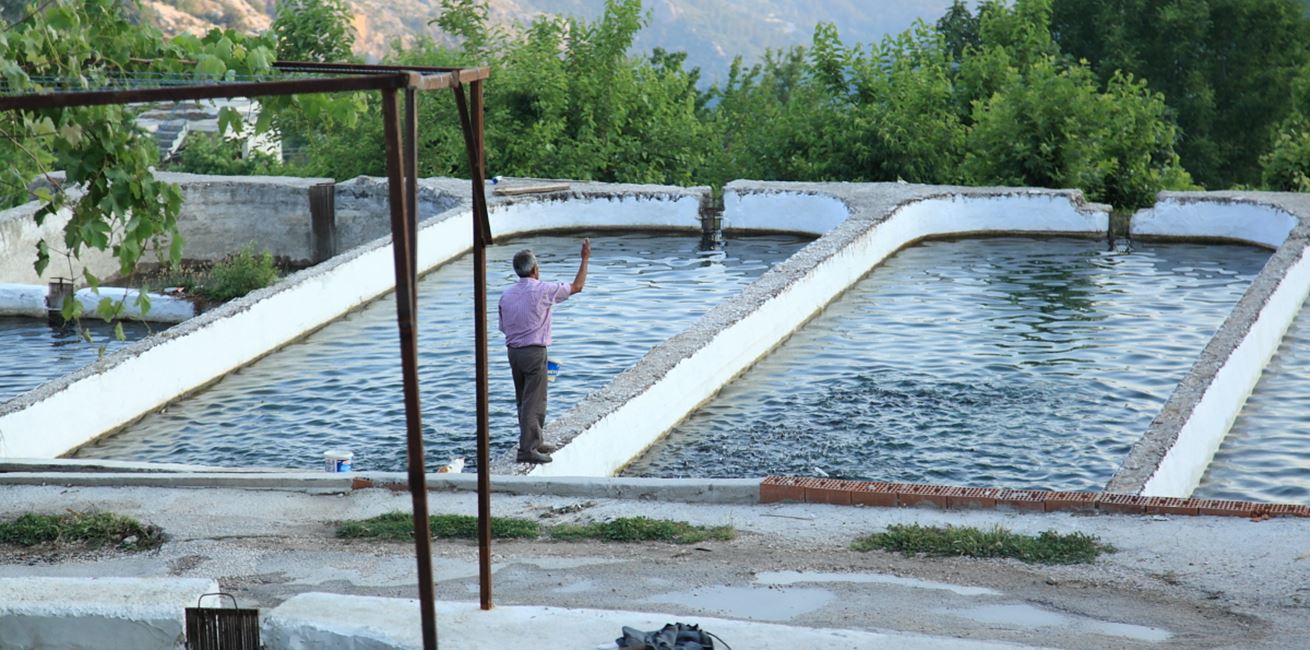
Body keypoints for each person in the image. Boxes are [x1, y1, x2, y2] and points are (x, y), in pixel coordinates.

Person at [498, 238, 590, 464]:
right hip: (534, 352)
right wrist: (585, 258)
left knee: (523, 399)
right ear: (535, 269)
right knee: (535, 401)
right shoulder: (544, 290)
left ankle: (534, 441)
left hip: (513, 352)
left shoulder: (506, 295)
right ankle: (528, 451)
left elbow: (503, 327)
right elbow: (576, 287)